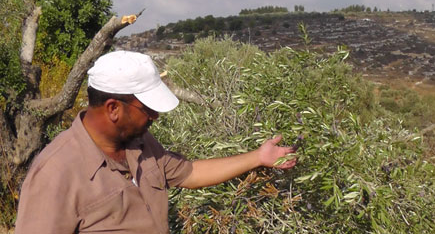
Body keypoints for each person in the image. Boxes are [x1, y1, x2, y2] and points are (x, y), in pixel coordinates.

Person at [15, 50, 297, 234]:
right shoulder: (54, 174)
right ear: (113, 108)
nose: (155, 117)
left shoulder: (140, 143)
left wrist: (259, 157)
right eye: (147, 109)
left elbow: (190, 172)